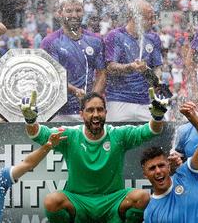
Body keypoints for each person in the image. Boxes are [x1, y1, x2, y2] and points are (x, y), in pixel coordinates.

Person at [21, 91, 167, 223]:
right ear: (81, 114)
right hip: (79, 202)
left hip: (112, 201)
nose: (96, 114)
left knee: (142, 197)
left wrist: (157, 117)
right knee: (51, 201)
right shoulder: (70, 135)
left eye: (99, 110)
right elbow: (38, 134)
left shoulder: (118, 135)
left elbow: (150, 131)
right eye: (90, 110)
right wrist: (30, 120)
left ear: (106, 112)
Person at [41, 0, 106, 121]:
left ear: (83, 12)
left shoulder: (96, 40)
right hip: (58, 112)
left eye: (78, 10)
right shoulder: (50, 42)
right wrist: (75, 91)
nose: (74, 15)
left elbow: (102, 74)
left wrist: (92, 100)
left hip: (88, 112)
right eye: (69, 11)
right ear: (60, 13)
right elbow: (51, 77)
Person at [104, 0, 164, 121]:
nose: (153, 22)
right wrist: (131, 67)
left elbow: (157, 70)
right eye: (149, 18)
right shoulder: (115, 36)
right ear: (135, 17)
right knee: (115, 137)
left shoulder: (153, 38)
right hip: (119, 100)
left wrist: (152, 76)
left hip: (146, 101)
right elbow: (110, 68)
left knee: (159, 133)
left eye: (154, 17)